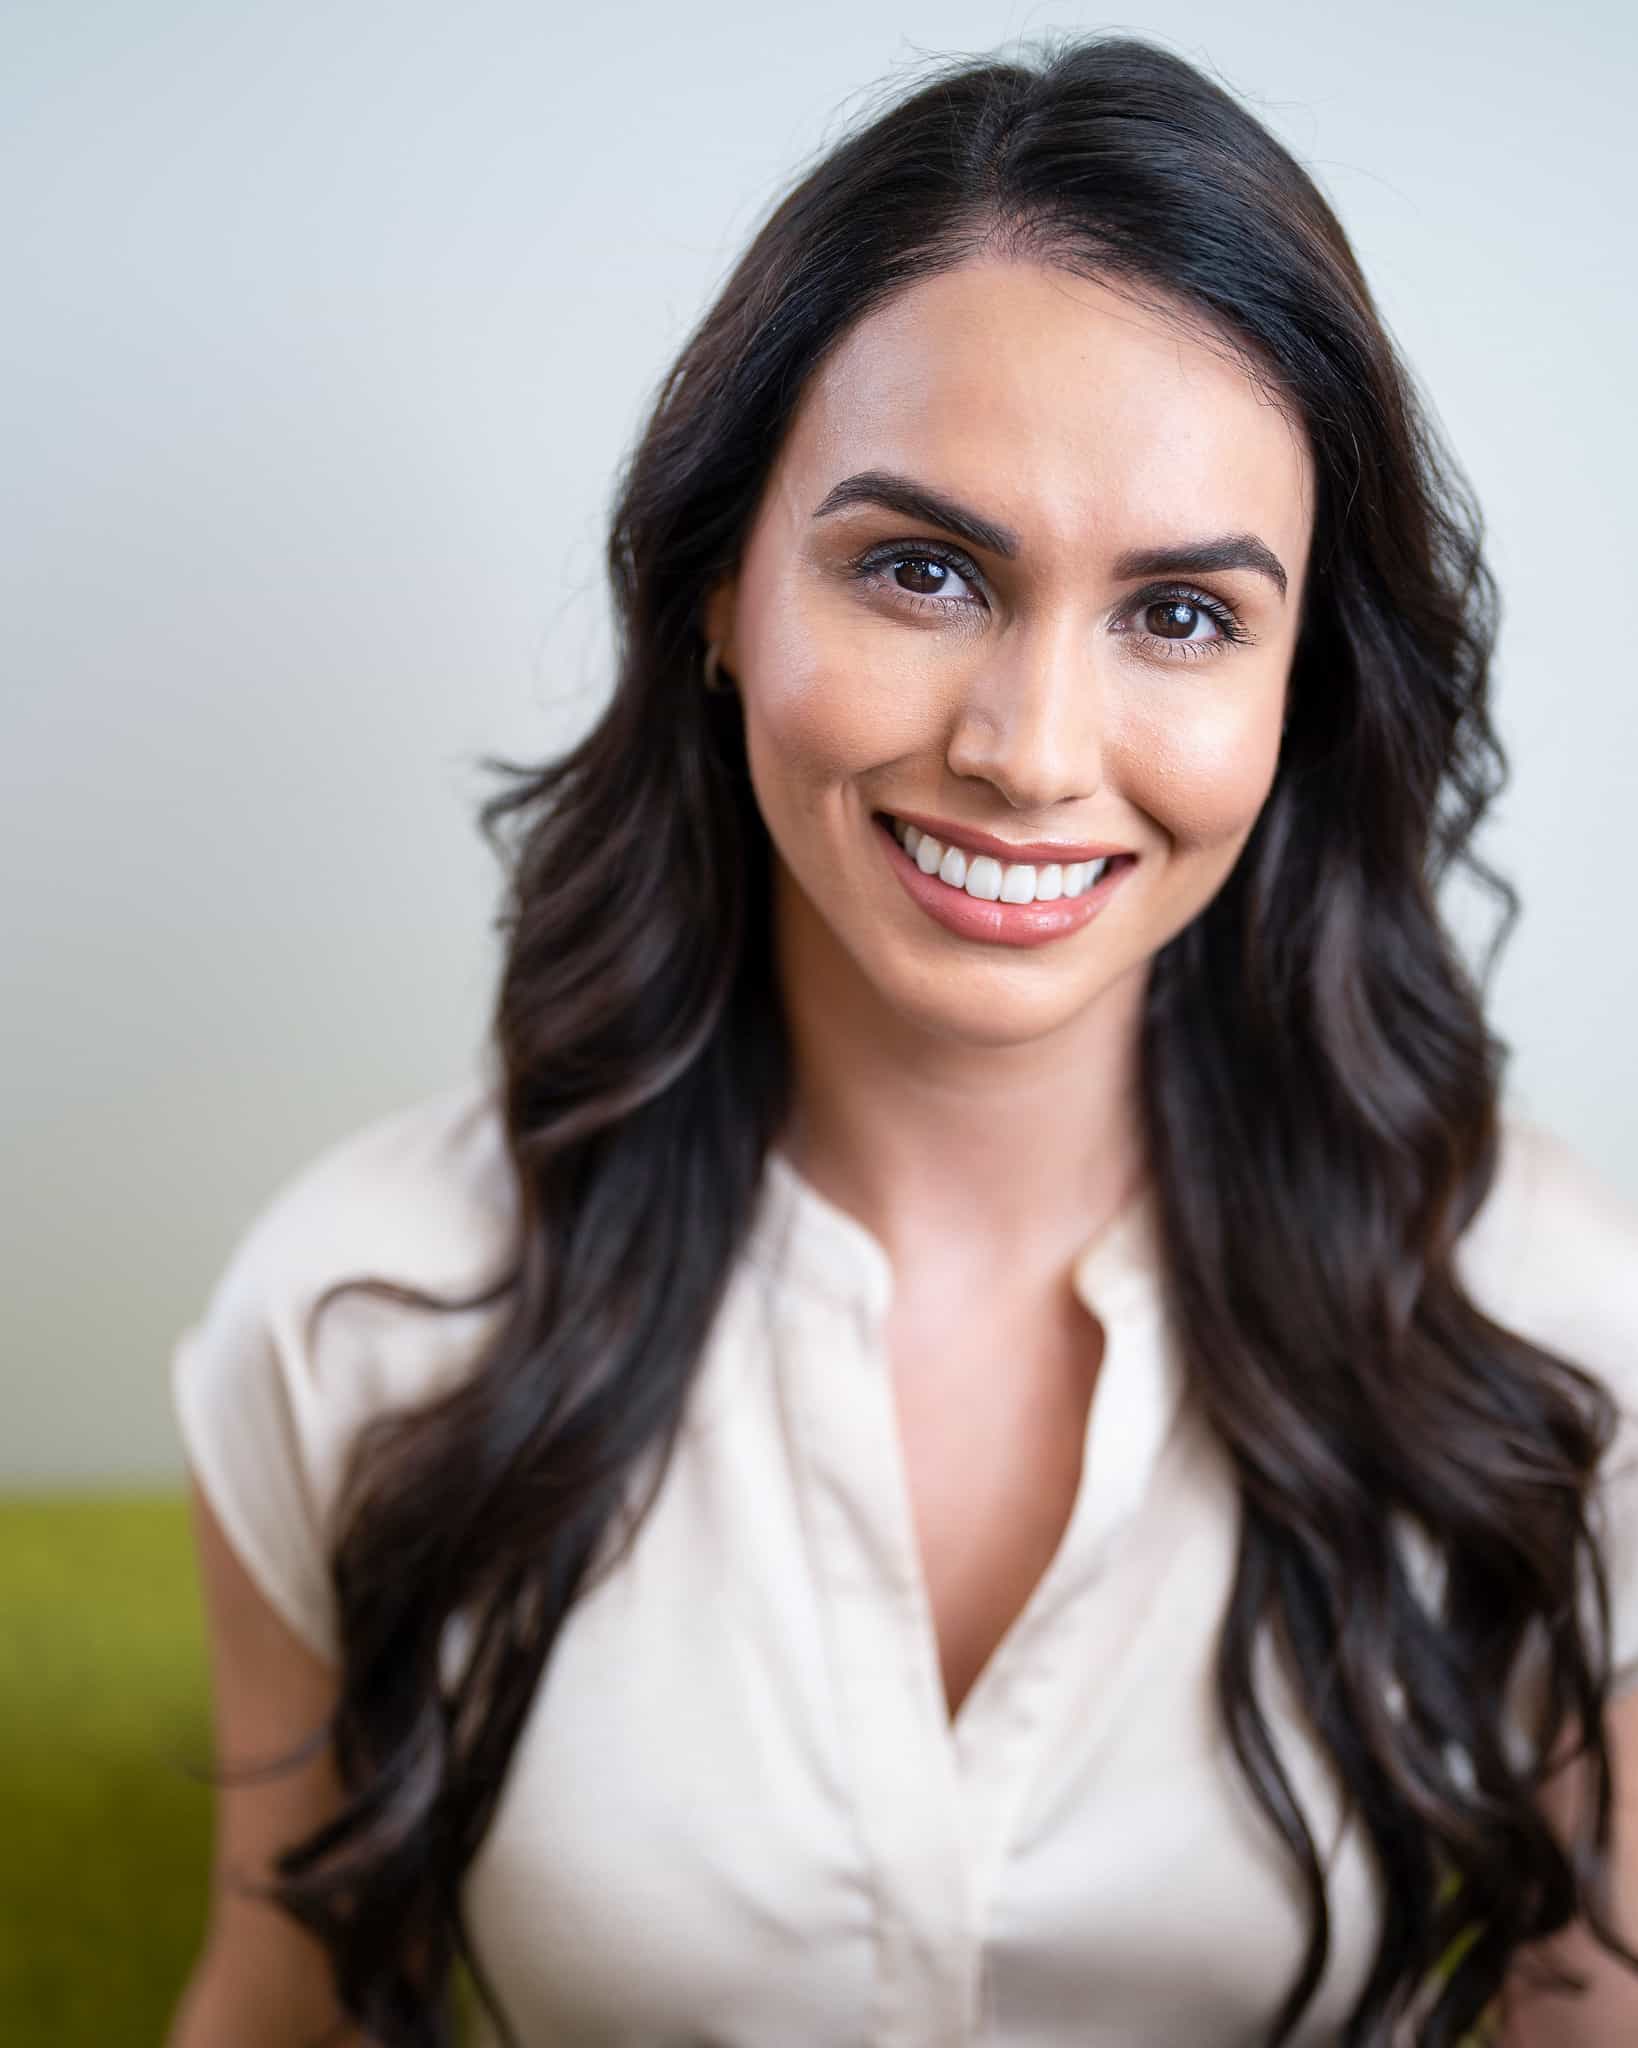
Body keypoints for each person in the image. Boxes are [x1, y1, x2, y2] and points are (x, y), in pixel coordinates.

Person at [164, 30, 1638, 2048]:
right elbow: (278, 2003)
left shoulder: (1560, 1332)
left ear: (1306, 686)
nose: (1028, 753)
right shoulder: (355, 1319)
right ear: (719, 592)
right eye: (920, 570)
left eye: (1184, 614)